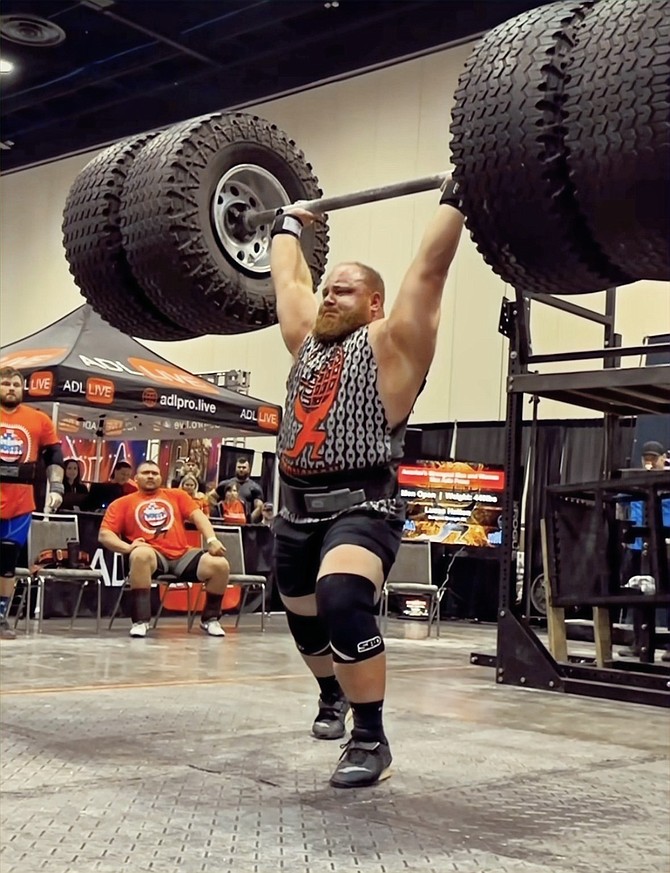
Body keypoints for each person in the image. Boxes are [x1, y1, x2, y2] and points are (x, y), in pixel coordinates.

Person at [269, 179, 464, 787]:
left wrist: (458, 196)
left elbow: (428, 272)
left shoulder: (395, 345)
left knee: (342, 600)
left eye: (344, 291)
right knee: (302, 618)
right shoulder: (308, 342)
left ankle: (370, 739)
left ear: (374, 303)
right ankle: (330, 693)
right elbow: (289, 283)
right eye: (329, 289)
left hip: (364, 504)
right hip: (294, 508)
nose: (329, 297)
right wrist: (285, 224)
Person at [98, 460, 230, 639]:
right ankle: (141, 621)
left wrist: (212, 539)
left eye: (155, 473)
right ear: (136, 478)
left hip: (182, 555)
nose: (151, 476)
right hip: (153, 555)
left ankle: (211, 619)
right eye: (146, 473)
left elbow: (198, 517)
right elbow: (105, 535)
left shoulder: (177, 495)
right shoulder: (122, 504)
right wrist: (128, 547)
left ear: (161, 477)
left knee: (220, 564)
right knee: (140, 555)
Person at [0, 366, 64, 640]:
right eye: (5, 383)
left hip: (20, 503)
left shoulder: (39, 420)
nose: (11, 388)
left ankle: (1, 618)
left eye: (16, 384)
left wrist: (58, 487)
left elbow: (55, 456)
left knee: (5, 562)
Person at [618, 441, 670, 662]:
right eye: (645, 458)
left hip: (665, 543)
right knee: (637, 593)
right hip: (638, 545)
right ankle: (639, 642)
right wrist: (622, 533)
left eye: (653, 458)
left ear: (662, 458)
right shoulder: (636, 480)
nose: (649, 463)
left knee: (667, 592)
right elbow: (620, 503)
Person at [213, 457, 263, 523]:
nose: (241, 469)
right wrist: (218, 512)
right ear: (235, 469)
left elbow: (259, 507)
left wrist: (248, 521)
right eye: (239, 467)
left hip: (244, 523)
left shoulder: (254, 487)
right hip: (226, 520)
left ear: (248, 469)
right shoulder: (226, 484)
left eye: (244, 467)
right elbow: (211, 497)